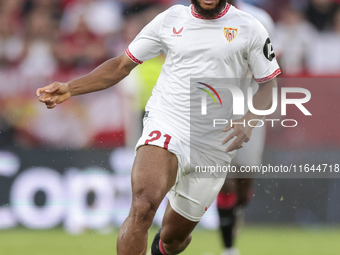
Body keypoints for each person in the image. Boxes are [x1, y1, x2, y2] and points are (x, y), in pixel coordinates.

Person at [37, 1, 280, 255]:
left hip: (214, 144)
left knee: (173, 239)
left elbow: (269, 86)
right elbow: (122, 65)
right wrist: (70, 88)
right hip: (168, 121)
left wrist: (248, 121)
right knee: (143, 206)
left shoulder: (250, 27)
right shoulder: (170, 19)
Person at [216, 1, 278, 255]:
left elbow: (272, 66)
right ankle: (229, 249)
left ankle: (238, 208)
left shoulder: (259, 18)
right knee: (223, 178)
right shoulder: (200, 19)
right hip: (214, 105)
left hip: (251, 105)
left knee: (243, 181)